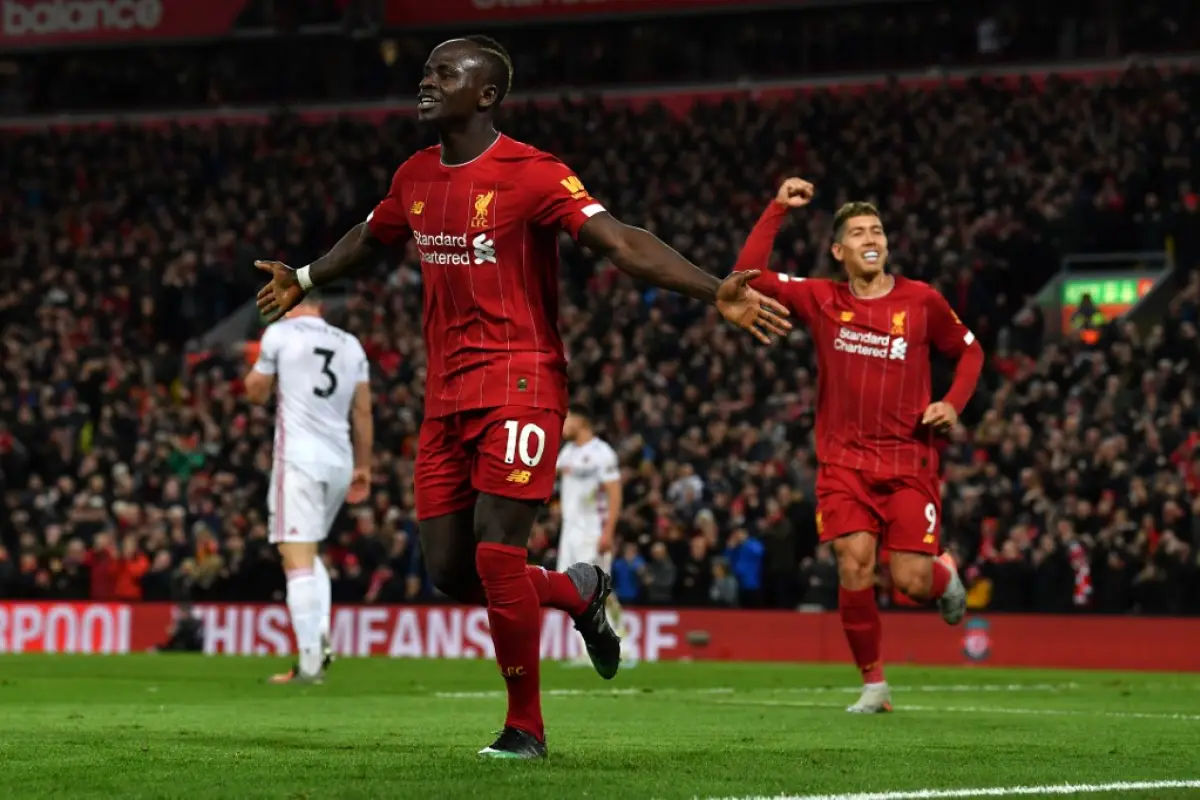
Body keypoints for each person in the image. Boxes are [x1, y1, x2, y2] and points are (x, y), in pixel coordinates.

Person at [253, 36, 790, 758]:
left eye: (445, 72)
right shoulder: (414, 175)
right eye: (427, 69)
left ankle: (525, 729)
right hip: (446, 396)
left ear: (485, 95)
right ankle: (578, 592)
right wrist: (308, 277)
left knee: (498, 557)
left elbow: (619, 240)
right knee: (450, 571)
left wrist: (711, 286)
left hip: (520, 382)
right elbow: (373, 233)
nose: (426, 79)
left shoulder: (532, 173)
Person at [734, 178, 985, 713]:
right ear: (839, 250)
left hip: (907, 462)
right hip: (843, 463)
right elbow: (747, 274)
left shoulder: (922, 301)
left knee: (911, 582)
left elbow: (970, 354)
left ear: (886, 244)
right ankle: (874, 684)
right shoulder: (822, 297)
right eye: (858, 232)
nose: (870, 237)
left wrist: (952, 405)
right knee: (853, 562)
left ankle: (944, 576)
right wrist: (776, 207)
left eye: (877, 230)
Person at [243, 296, 372, 684]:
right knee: (309, 548)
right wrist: (364, 466)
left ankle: (311, 663)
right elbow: (363, 410)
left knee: (294, 554)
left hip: (298, 459)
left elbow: (256, 393)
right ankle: (319, 640)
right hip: (340, 460)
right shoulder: (351, 344)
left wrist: (255, 367)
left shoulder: (279, 333)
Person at [555, 405, 626, 667]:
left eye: (567, 419)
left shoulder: (602, 453)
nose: (562, 425)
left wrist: (608, 531)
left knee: (594, 590)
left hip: (593, 529)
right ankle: (585, 650)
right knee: (570, 591)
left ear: (580, 422)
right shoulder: (568, 453)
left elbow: (615, 493)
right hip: (570, 531)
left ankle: (619, 644)